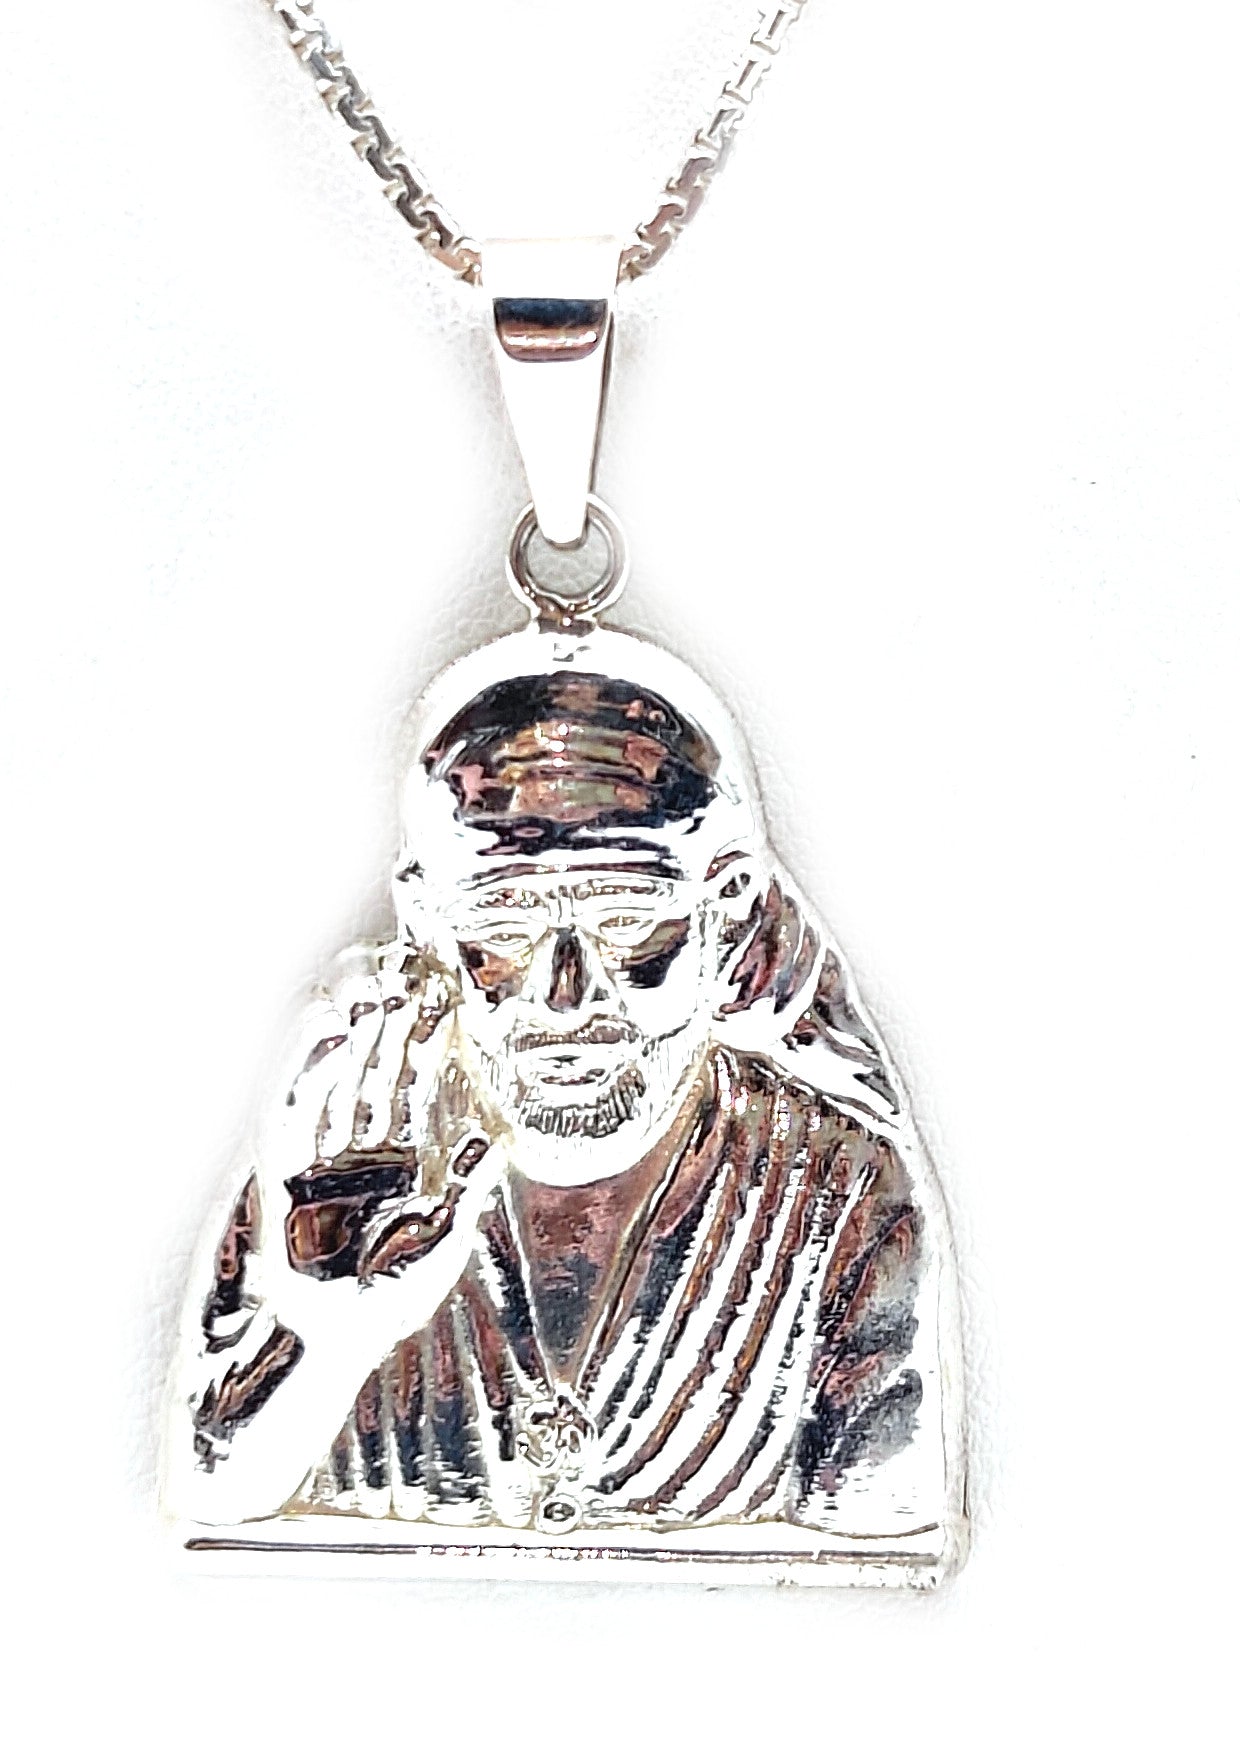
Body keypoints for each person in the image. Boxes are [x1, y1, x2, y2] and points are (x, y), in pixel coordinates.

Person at [165, 626, 964, 1557]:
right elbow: (214, 1500)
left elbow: (878, 1546)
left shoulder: (838, 1186)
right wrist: (327, 1339)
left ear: (728, 906)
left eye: (627, 919)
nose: (565, 996)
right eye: (504, 924)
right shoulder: (351, 1158)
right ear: (428, 918)